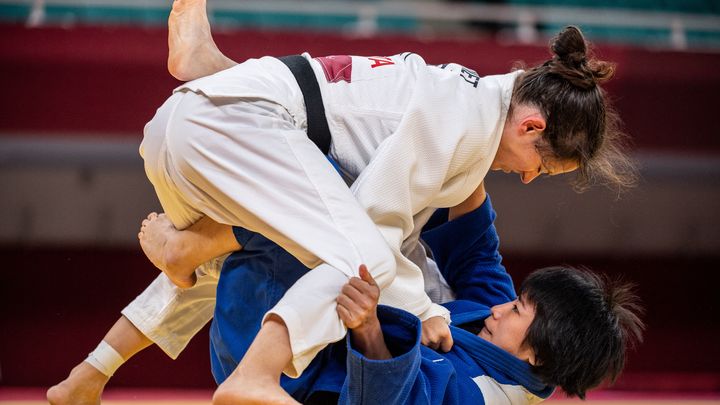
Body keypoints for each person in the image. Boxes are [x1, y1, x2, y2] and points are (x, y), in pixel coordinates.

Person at [54, 0, 637, 401]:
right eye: (544, 166)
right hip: (230, 130)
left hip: (221, 120)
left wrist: (376, 329)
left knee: (331, 231)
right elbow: (392, 230)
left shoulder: (472, 100)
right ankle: (235, 344)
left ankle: (97, 365)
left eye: (514, 310)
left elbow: (460, 235)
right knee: (368, 253)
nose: (530, 179)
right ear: (532, 128)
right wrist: (428, 311)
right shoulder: (461, 126)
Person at [48, 185, 643, 405]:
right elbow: (475, 248)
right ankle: (94, 372)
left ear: (536, 356)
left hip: (284, 375)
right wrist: (470, 144)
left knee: (298, 207)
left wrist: (368, 332)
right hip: (301, 332)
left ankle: (189, 251)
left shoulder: (484, 398)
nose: (499, 305)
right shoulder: (495, 330)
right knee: (272, 220)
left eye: (517, 311)